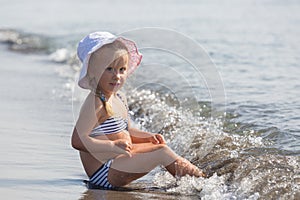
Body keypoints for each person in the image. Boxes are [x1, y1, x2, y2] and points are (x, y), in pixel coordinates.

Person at [71, 31, 205, 189]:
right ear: (93, 71)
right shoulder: (96, 101)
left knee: (161, 148)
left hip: (117, 162)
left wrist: (149, 137)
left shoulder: (119, 97)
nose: (117, 76)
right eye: (109, 69)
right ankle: (201, 183)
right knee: (161, 153)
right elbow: (77, 140)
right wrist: (111, 147)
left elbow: (127, 131)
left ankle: (195, 180)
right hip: (104, 172)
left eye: (122, 69)